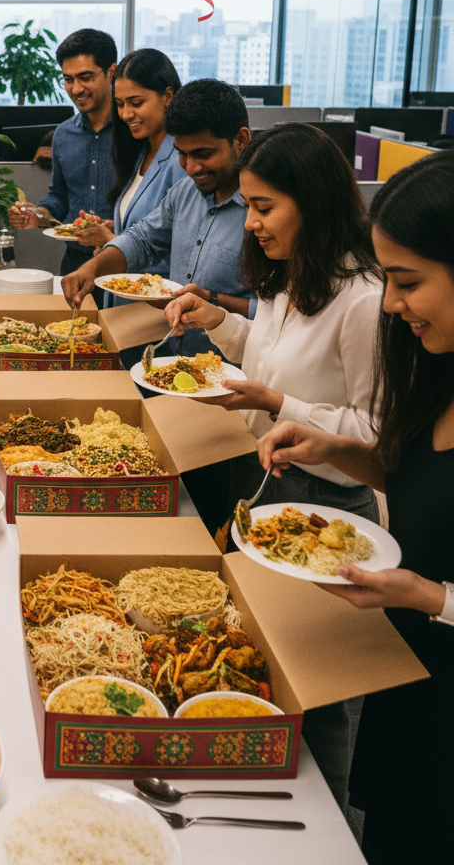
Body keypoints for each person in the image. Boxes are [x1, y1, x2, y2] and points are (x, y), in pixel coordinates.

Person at [162, 122, 385, 815]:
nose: (250, 222)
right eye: (250, 206)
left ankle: (332, 833)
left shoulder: (365, 299)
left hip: (326, 515)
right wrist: (219, 325)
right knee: (263, 671)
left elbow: (378, 438)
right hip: (260, 486)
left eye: (264, 207)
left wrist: (279, 401)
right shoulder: (289, 274)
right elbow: (267, 352)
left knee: (323, 703)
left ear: (312, 202)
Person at [256, 150, 454, 862]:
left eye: (407, 283)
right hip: (405, 679)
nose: (392, 304)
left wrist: (429, 596)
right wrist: (333, 448)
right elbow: (406, 476)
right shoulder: (434, 372)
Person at [63, 78, 256, 360]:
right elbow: (142, 239)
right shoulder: (185, 192)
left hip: (233, 374)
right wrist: (92, 269)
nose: (191, 168)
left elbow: (281, 312)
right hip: (171, 358)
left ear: (240, 140)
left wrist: (212, 300)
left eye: (203, 154)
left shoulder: (264, 210)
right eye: (182, 154)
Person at [7, 28, 118, 275]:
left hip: (125, 262)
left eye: (86, 77)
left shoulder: (134, 131)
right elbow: (58, 197)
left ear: (111, 72)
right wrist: (36, 215)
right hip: (75, 262)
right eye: (68, 79)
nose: (76, 89)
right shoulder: (64, 134)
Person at [76, 48, 188, 274]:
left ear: (167, 97)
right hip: (125, 301)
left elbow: (185, 254)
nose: (126, 114)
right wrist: (115, 227)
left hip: (155, 304)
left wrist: (112, 240)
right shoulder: (141, 152)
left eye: (136, 103)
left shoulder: (182, 161)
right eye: (120, 103)